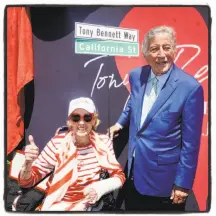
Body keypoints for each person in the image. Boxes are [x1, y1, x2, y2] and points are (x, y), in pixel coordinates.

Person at [109, 26, 204, 211]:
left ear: (174, 50)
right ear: (145, 54)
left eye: (167, 47)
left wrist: (182, 184)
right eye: (154, 49)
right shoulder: (137, 76)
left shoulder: (190, 88)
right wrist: (120, 122)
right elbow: (133, 103)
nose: (162, 54)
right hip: (134, 172)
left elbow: (191, 144)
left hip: (164, 183)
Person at [18, 97, 125, 211]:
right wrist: (28, 163)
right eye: (76, 118)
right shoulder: (58, 143)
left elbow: (119, 177)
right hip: (58, 206)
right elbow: (26, 182)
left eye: (87, 117)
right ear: (69, 121)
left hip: (90, 207)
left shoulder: (103, 142)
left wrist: (98, 189)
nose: (82, 122)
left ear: (94, 121)